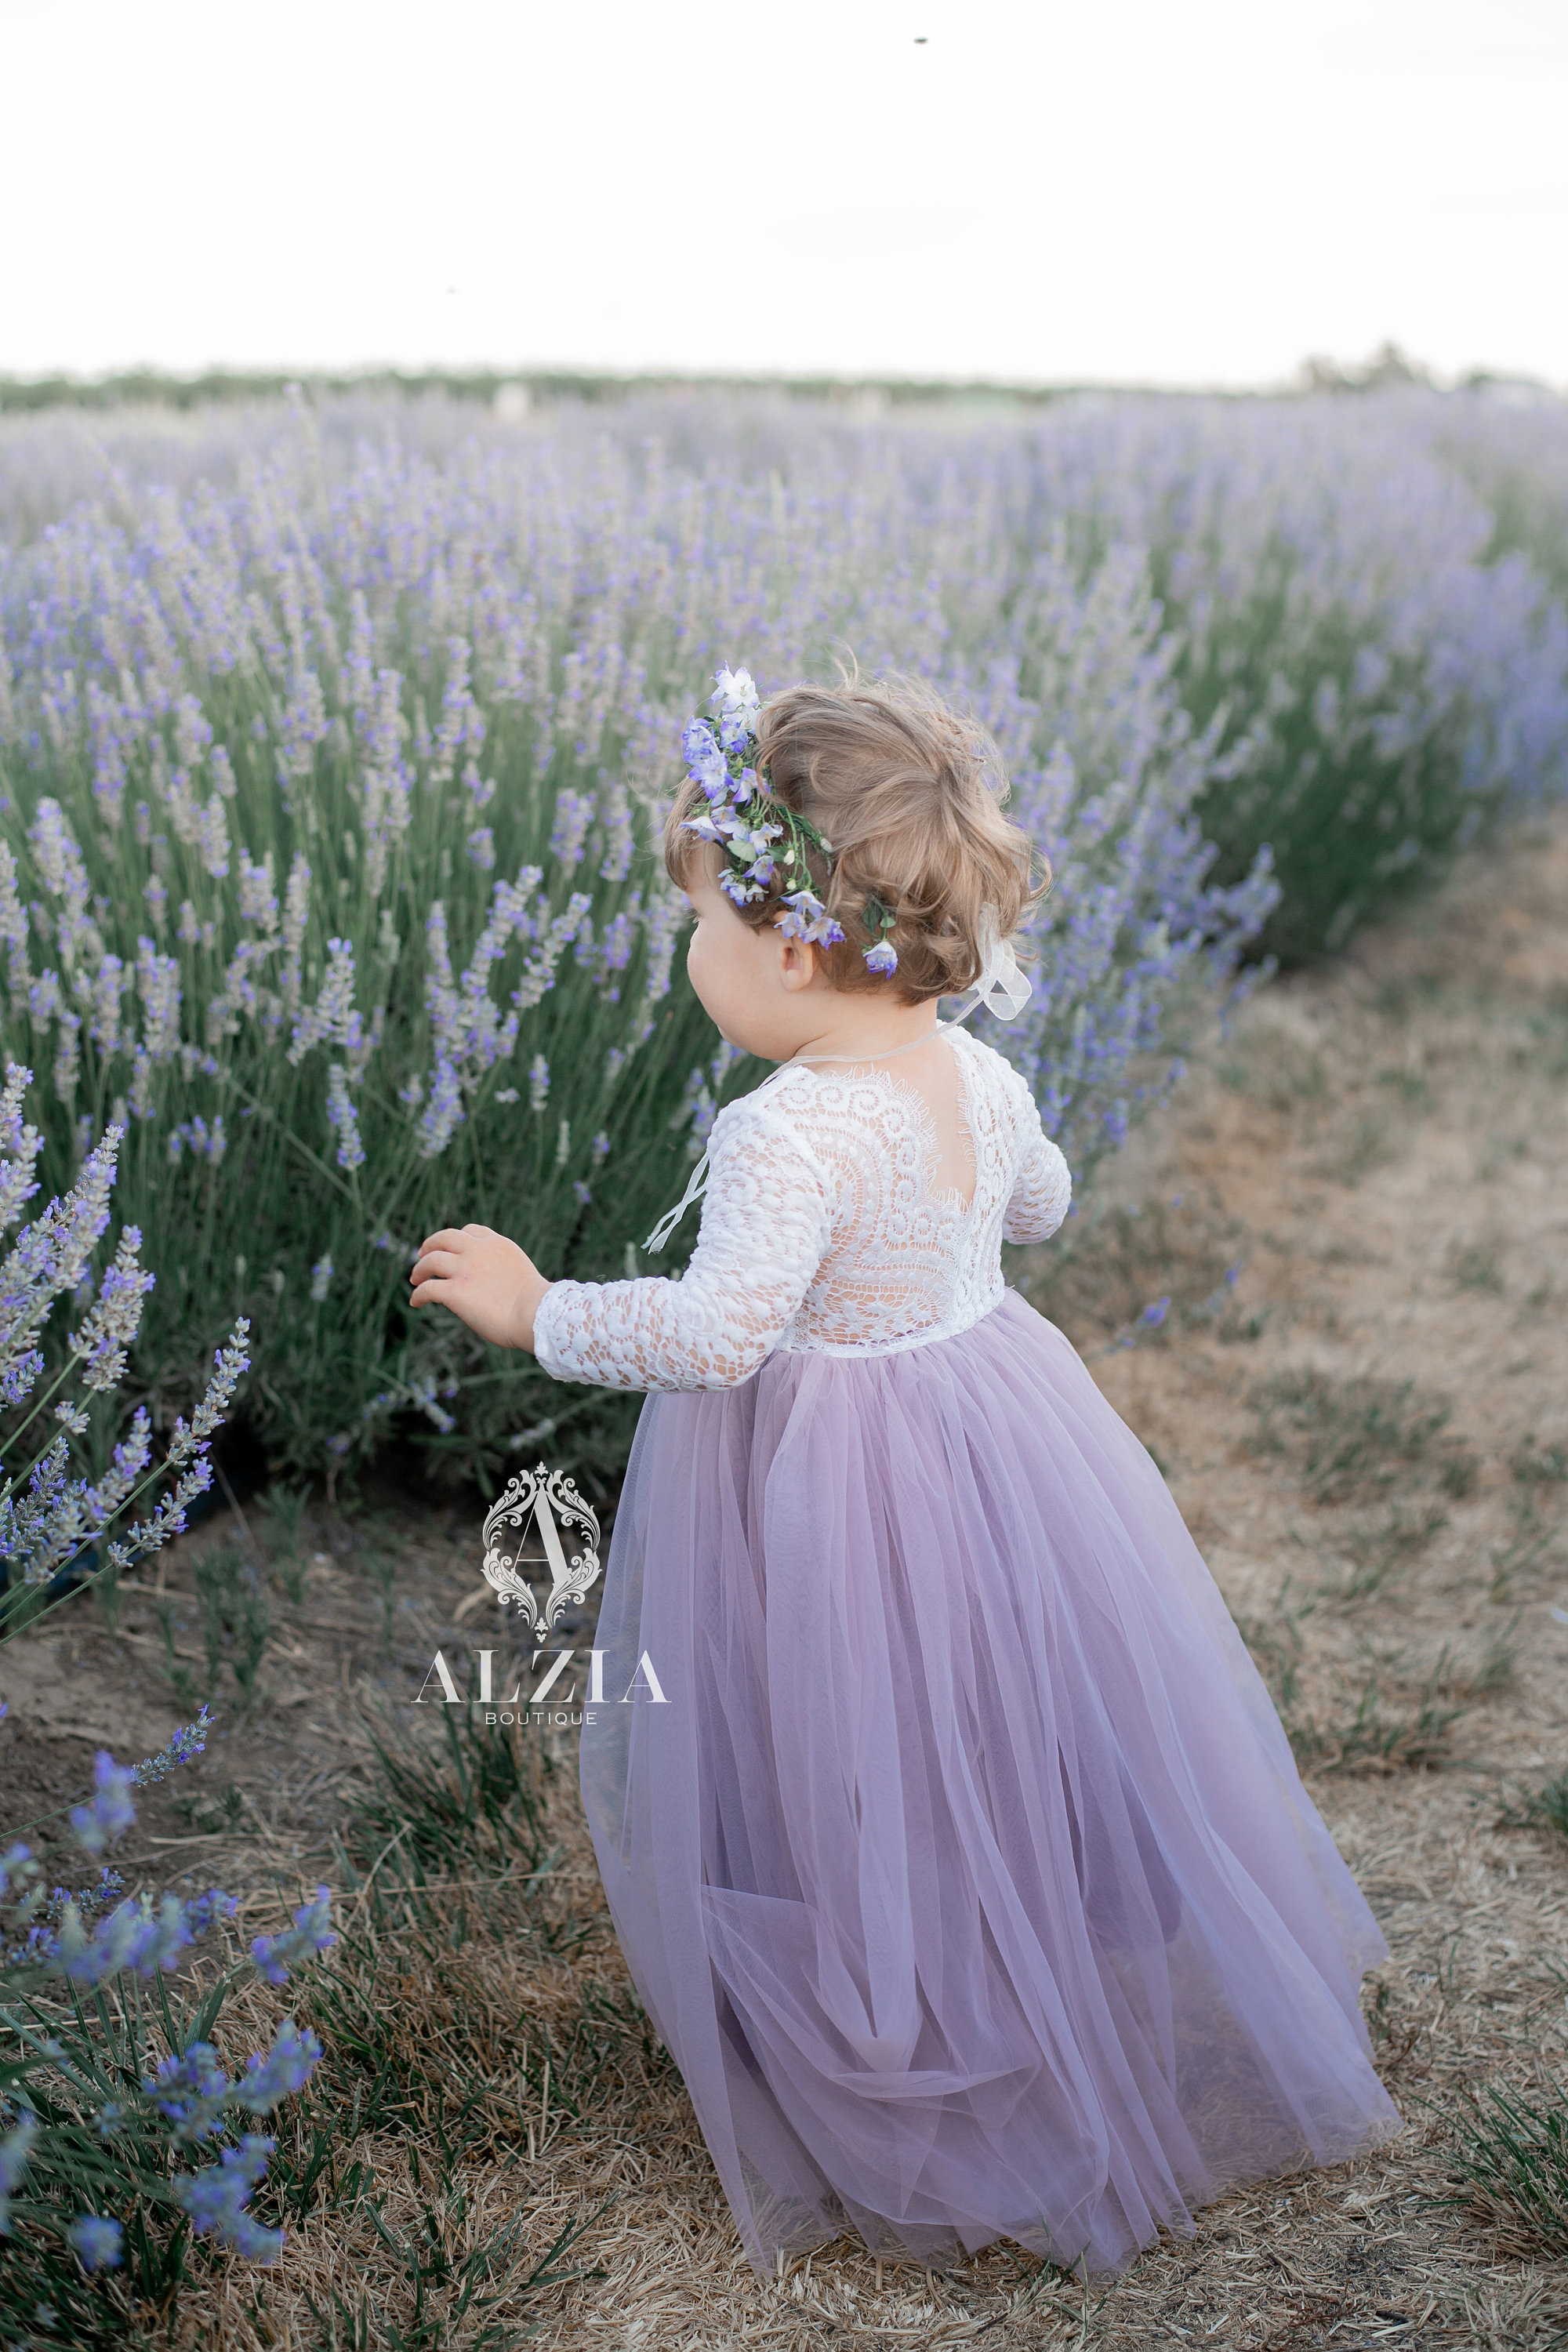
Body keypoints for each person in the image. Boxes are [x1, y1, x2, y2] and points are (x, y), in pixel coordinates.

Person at [409, 665, 1401, 2284]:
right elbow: (1039, 1210)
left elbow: (723, 1333)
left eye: (703, 928)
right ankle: (1004, 1968)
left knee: (848, 1736)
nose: (690, 957)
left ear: (792, 948)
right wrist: (965, 1188)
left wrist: (538, 1310)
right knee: (975, 1722)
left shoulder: (786, 1132)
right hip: (995, 1432)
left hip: (832, 1478)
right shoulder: (979, 1076)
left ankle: (889, 2033)